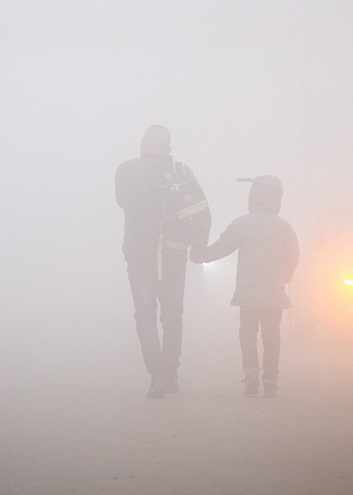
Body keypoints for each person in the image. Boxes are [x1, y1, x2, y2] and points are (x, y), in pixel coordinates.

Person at [115, 125, 208, 398]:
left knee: (145, 315)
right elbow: (200, 212)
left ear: (142, 143)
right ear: (168, 149)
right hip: (172, 255)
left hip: (139, 255)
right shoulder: (181, 172)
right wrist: (198, 249)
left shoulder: (125, 170)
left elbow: (122, 202)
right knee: (172, 316)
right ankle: (171, 374)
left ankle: (156, 375)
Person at [190, 176, 299, 397]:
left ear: (253, 197)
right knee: (271, 336)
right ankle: (271, 381)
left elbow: (222, 247)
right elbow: (293, 256)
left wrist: (200, 255)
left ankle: (251, 374)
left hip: (248, 294)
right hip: (274, 294)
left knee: (247, 334)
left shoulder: (241, 224)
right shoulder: (285, 227)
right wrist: (284, 278)